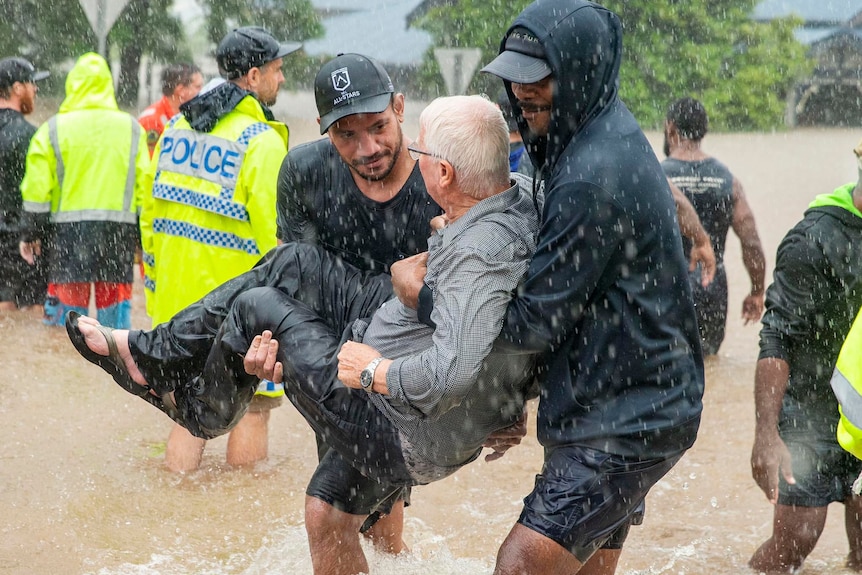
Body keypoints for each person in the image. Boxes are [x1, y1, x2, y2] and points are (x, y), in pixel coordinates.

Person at [66, 94, 538, 575]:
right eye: (347, 134)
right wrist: (509, 391)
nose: (372, 147)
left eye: (417, 150)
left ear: (444, 173)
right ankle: (160, 357)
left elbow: (455, 369)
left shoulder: (478, 251)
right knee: (325, 513)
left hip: (398, 414)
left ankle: (194, 408)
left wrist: (374, 368)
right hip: (386, 351)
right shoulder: (515, 194)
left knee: (257, 305)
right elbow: (523, 325)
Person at [398, 3, 703, 573]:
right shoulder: (591, 128)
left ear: (582, 70)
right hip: (632, 398)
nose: (521, 90)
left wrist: (426, 297)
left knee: (520, 564)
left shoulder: (590, 173)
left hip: (622, 419)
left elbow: (532, 322)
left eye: (539, 78)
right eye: (514, 76)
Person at [276, 52, 443, 558]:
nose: (367, 148)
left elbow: (474, 306)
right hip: (329, 359)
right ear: (326, 132)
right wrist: (273, 348)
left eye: (378, 127)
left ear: (399, 106)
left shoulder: (439, 182)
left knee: (332, 513)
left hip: (401, 371)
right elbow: (296, 282)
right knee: (360, 521)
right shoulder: (304, 173)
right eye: (347, 135)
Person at [139, 26, 300, 472]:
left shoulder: (173, 129)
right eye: (277, 69)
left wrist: (157, 293)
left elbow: (149, 216)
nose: (281, 79)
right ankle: (238, 520)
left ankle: (174, 509)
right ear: (252, 76)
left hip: (177, 303)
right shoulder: (260, 142)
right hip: (237, 309)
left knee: (188, 413)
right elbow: (278, 240)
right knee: (252, 409)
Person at [749, 138, 862, 573]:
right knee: (794, 543)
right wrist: (766, 434)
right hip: (811, 412)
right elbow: (776, 336)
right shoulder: (814, 238)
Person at [19, 52, 149, 329]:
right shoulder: (132, 129)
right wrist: (142, 239)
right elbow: (145, 190)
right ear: (108, 85)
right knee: (115, 334)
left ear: (72, 85)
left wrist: (31, 234)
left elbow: (36, 191)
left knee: (66, 330)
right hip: (118, 236)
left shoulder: (52, 129)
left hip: (67, 237)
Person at [662, 96, 766, 355]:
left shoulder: (656, 176)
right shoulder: (728, 181)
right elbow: (751, 241)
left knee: (664, 367)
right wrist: (756, 291)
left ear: (670, 127)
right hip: (712, 288)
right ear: (703, 130)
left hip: (666, 287)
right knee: (708, 365)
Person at [0, 57, 48, 313]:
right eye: (31, 83)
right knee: (22, 313)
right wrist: (35, 234)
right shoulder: (31, 136)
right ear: (17, 88)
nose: (35, 90)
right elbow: (38, 191)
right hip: (16, 241)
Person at [137, 62, 203, 157]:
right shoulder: (151, 121)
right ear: (181, 90)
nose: (202, 91)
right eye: (198, 87)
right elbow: (149, 165)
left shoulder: (189, 116)